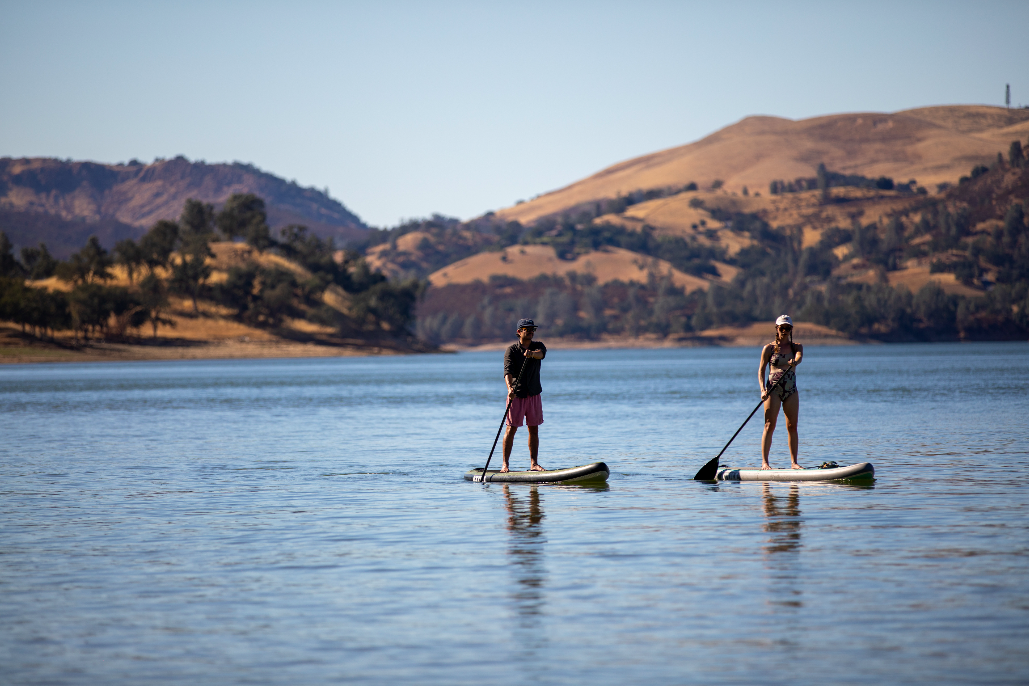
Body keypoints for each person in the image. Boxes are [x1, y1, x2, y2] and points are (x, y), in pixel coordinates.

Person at [501, 318, 547, 473]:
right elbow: (508, 372)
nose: (531, 332)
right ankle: (505, 465)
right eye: (527, 329)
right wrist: (510, 389)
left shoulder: (538, 346)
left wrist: (532, 354)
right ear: (519, 332)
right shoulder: (512, 350)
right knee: (511, 429)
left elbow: (541, 354)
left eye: (533, 329)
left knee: (533, 429)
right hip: (517, 395)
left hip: (534, 393)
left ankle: (534, 464)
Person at [759, 315, 804, 469]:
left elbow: (799, 357)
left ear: (791, 330)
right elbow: (761, 371)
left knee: (792, 426)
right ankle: (765, 463)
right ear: (777, 329)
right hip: (773, 390)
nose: (784, 331)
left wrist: (795, 361)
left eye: (787, 328)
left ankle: (794, 463)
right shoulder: (768, 348)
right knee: (769, 425)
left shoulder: (796, 347)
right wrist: (762, 390)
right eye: (781, 328)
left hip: (791, 390)